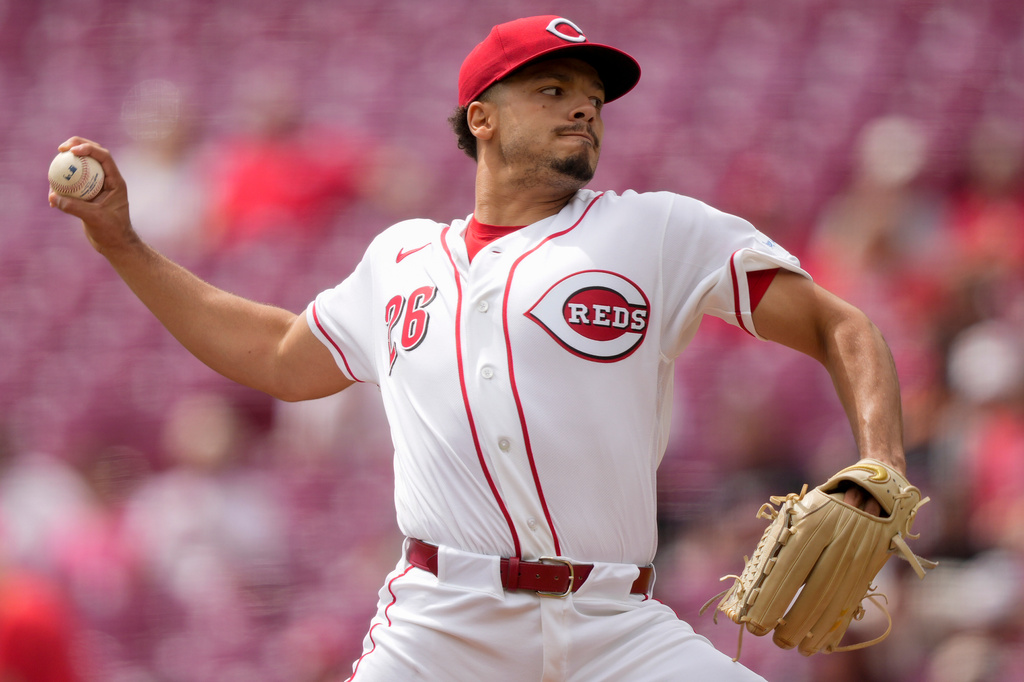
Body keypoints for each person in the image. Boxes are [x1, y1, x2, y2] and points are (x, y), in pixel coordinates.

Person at [50, 15, 907, 681]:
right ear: (482, 117)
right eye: (554, 87)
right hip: (443, 619)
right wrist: (126, 246)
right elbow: (280, 355)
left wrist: (882, 465)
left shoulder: (656, 228)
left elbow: (842, 326)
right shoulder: (400, 258)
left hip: (618, 622)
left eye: (594, 97)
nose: (584, 104)